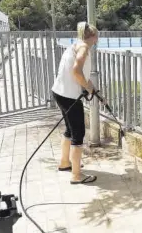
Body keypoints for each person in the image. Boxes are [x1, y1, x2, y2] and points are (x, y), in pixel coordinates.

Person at [51, 21, 100, 184]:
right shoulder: (84, 48)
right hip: (69, 96)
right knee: (78, 133)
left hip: (59, 93)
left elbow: (81, 76)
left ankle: (65, 163)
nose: (96, 41)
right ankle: (77, 175)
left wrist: (92, 89)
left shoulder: (75, 45)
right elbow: (76, 71)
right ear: (93, 37)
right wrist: (86, 87)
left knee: (70, 130)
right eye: (96, 38)